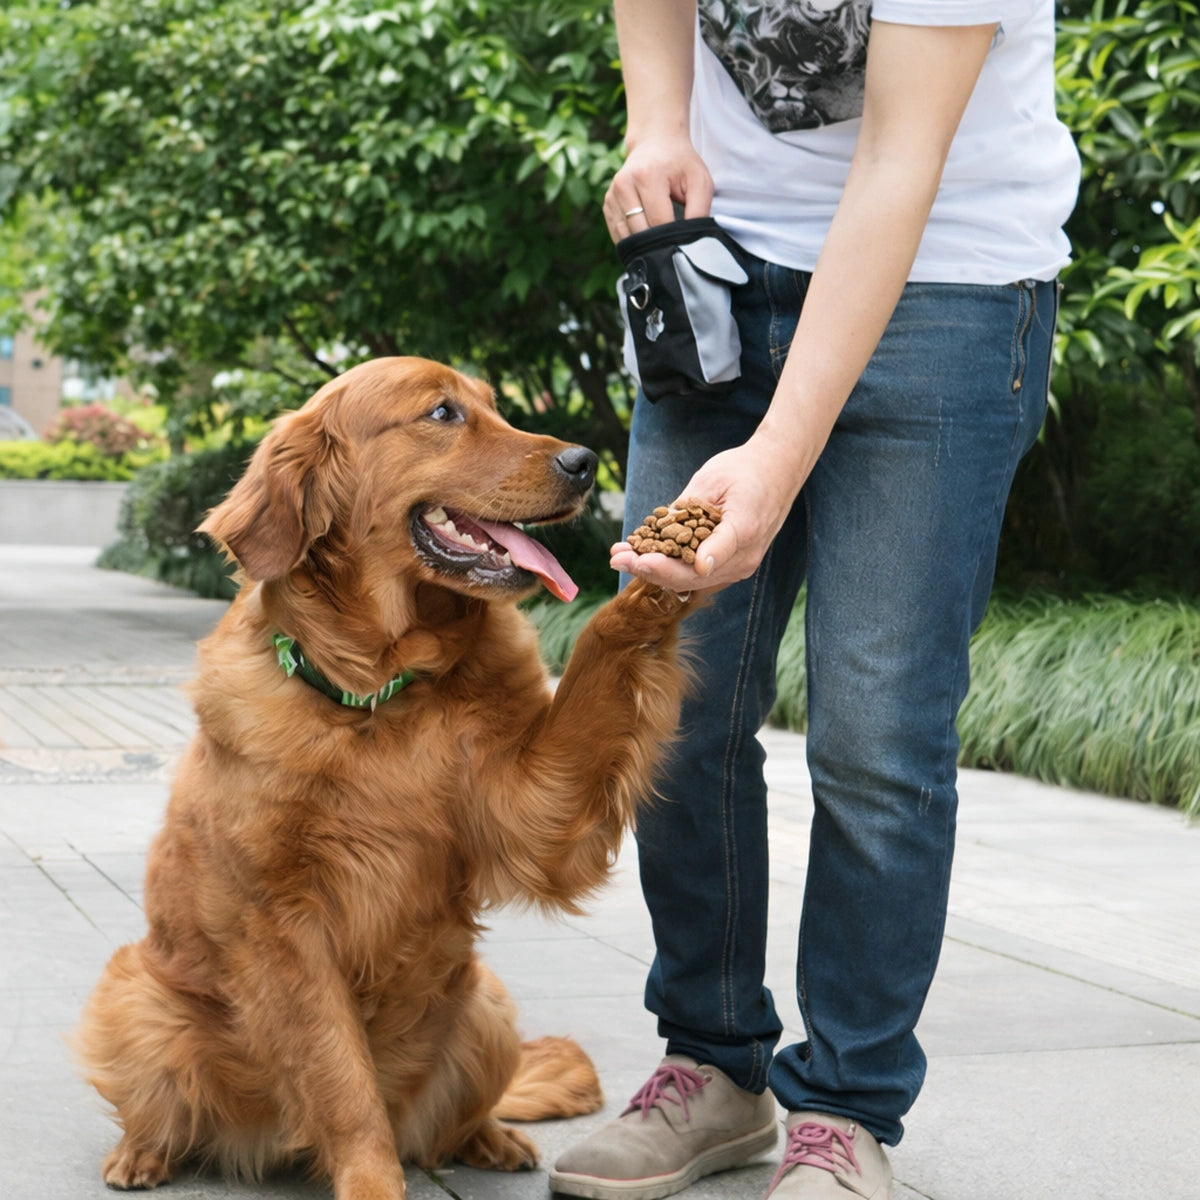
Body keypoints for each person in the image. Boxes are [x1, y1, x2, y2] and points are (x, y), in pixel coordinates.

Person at [549, 2, 1079, 1198]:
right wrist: (657, 125)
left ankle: (843, 1107)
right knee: (671, 703)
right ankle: (713, 1065)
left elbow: (898, 161)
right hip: (719, 266)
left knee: (874, 737)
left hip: (947, 290)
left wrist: (774, 463)